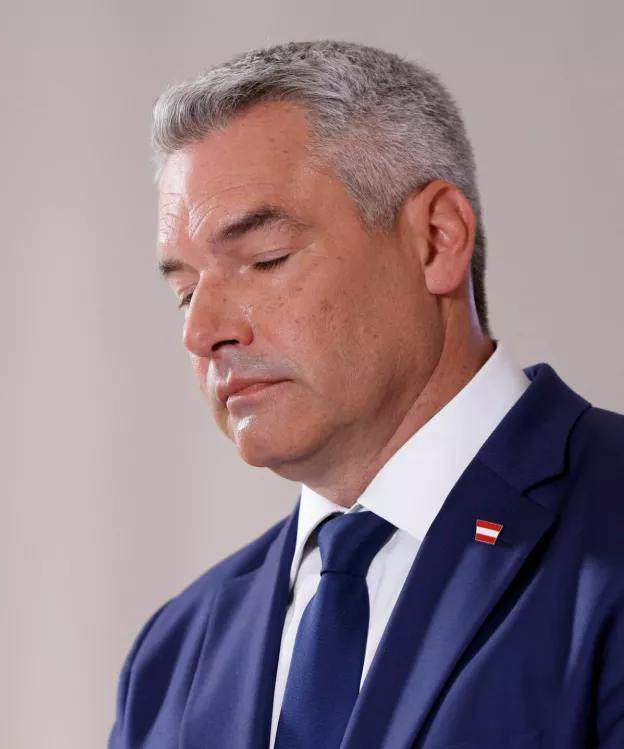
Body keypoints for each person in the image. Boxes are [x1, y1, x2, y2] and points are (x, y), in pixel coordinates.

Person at [108, 40, 624, 749]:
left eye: (265, 261)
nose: (204, 332)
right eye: (185, 292)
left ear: (438, 240)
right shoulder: (172, 656)